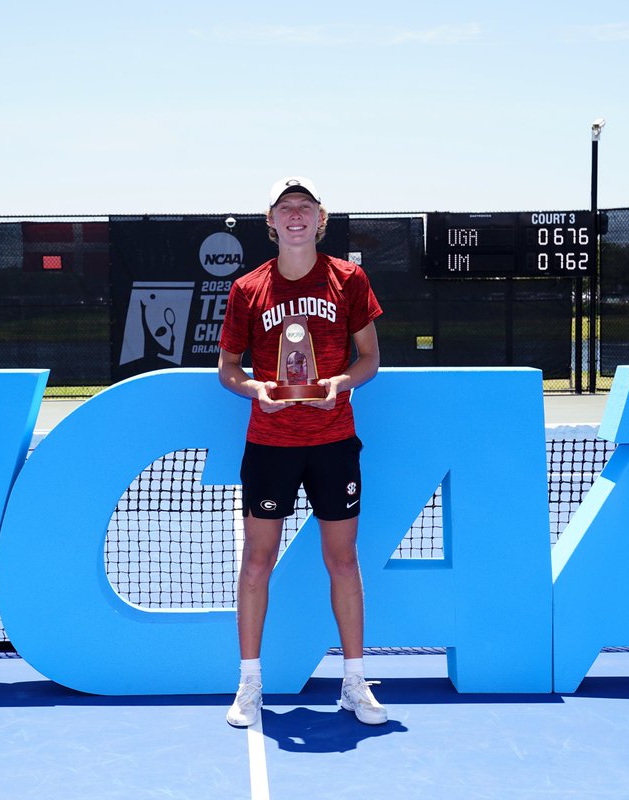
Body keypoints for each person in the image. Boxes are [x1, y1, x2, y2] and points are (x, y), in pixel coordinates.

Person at [217, 176, 386, 727]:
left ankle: (355, 683)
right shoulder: (247, 289)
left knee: (342, 559)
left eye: (305, 207)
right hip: (270, 444)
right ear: (270, 221)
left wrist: (339, 385)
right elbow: (228, 370)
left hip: (334, 442)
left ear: (321, 219)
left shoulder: (349, 279)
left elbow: (369, 361)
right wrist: (255, 391)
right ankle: (248, 685)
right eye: (285, 207)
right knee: (257, 561)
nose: (295, 215)